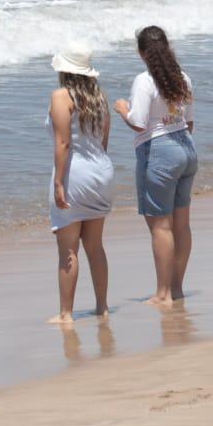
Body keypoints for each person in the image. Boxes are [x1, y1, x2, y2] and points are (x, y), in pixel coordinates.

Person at [113, 25, 197, 307]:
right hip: (185, 147)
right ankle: (176, 288)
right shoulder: (182, 77)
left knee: (161, 226)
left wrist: (121, 108)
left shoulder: (145, 81)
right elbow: (191, 122)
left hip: (159, 151)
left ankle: (162, 294)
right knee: (182, 226)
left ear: (141, 53)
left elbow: (138, 121)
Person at [46, 45, 113, 324]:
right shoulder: (100, 99)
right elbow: (104, 140)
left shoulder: (61, 97)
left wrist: (60, 182)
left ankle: (66, 314)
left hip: (76, 173)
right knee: (95, 246)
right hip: (101, 171)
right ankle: (102, 307)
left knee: (68, 248)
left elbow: (63, 142)